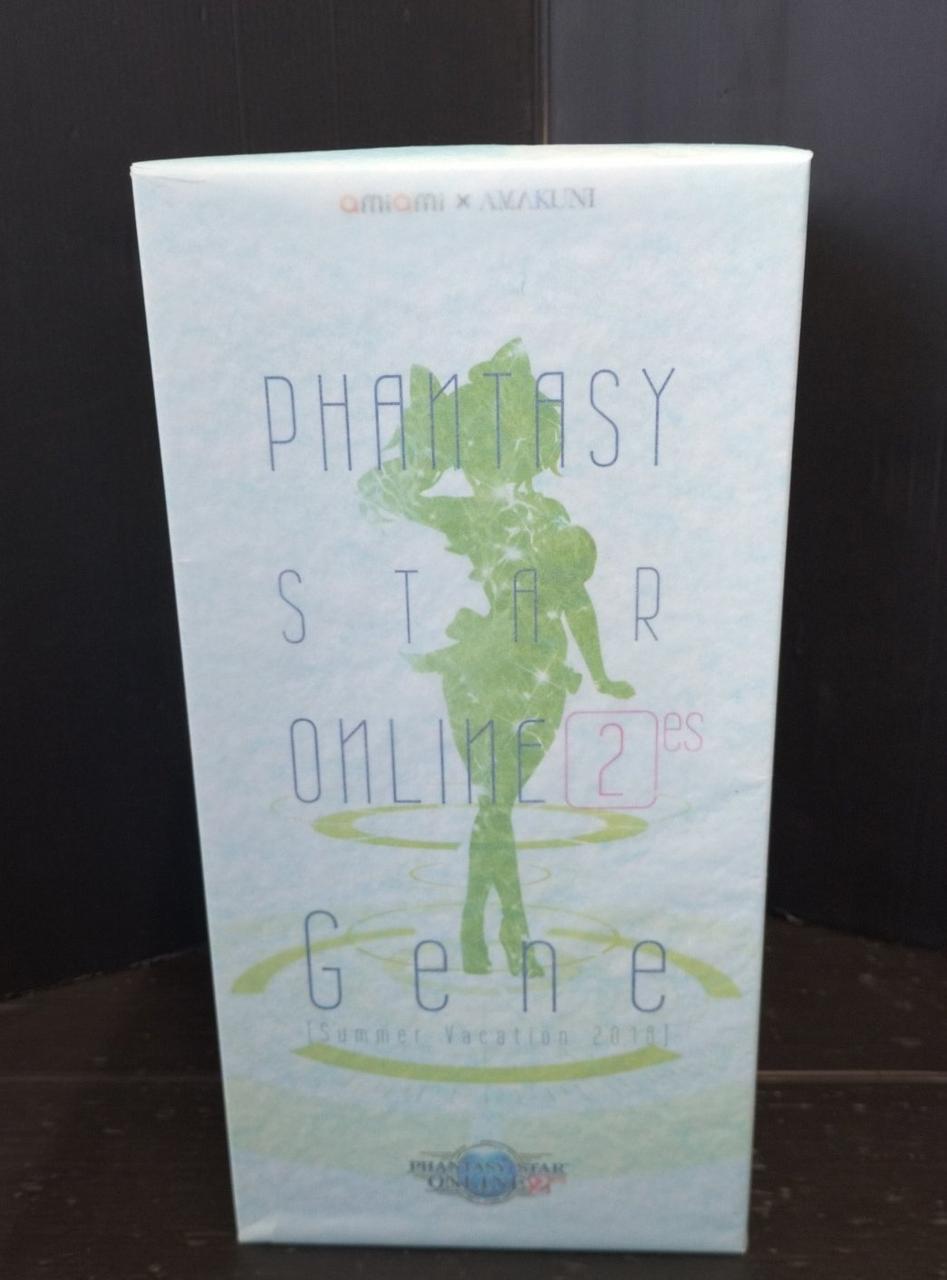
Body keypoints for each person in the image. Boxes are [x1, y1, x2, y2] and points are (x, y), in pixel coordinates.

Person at [358, 340, 633, 976]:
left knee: (495, 806)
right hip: (481, 672)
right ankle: (510, 935)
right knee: (496, 804)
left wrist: (601, 673)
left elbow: (576, 599)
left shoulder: (550, 514)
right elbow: (377, 496)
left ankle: (476, 933)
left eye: (503, 440)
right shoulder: (464, 516)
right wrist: (420, 462)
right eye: (480, 443)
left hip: (541, 678)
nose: (493, 459)